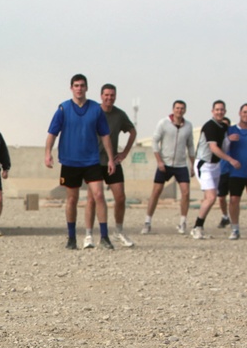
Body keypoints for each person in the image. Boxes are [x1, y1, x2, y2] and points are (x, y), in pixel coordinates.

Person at [44, 74, 115, 250]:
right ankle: (71, 237)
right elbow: (52, 133)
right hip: (70, 161)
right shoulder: (63, 109)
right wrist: (48, 153)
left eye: (82, 85)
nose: (79, 88)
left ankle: (104, 237)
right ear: (71, 88)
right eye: (76, 85)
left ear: (87, 88)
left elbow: (105, 135)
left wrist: (111, 159)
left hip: (91, 160)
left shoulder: (95, 110)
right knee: (72, 199)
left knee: (99, 195)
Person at [84, 84, 136, 247]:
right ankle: (89, 235)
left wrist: (125, 152)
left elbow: (132, 131)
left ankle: (119, 231)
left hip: (112, 161)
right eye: (106, 95)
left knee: (120, 197)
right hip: (94, 162)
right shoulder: (93, 112)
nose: (109, 98)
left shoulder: (120, 115)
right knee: (93, 199)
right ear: (101, 96)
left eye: (112, 95)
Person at [143, 100, 195, 235]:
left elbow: (190, 146)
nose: (179, 110)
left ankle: (182, 222)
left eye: (182, 108)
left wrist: (192, 165)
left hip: (181, 164)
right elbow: (155, 141)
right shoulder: (163, 123)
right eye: (177, 108)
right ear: (173, 109)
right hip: (164, 163)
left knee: (186, 192)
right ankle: (147, 222)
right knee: (156, 192)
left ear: (185, 110)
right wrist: (159, 161)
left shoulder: (188, 126)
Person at [190, 101, 240, 239]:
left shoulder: (224, 126)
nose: (219, 112)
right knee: (211, 197)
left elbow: (224, 143)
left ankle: (199, 227)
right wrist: (231, 160)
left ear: (225, 111)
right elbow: (214, 148)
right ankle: (197, 227)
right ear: (212, 111)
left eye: (222, 110)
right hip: (204, 164)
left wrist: (229, 139)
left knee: (209, 198)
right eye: (217, 110)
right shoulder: (210, 126)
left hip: (216, 165)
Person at [225, 105, 247, 240]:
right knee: (234, 200)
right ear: (240, 113)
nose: (246, 114)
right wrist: (228, 140)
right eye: (245, 112)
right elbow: (221, 147)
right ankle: (235, 228)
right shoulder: (231, 130)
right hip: (236, 172)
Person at [217, 116, 233, 229]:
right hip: (221, 171)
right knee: (221, 197)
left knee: (234, 198)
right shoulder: (216, 138)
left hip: (234, 171)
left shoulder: (235, 138)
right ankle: (225, 216)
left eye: (226, 125)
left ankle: (234, 220)